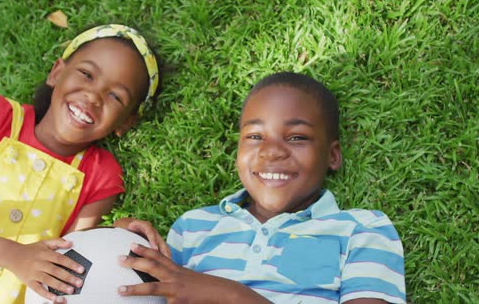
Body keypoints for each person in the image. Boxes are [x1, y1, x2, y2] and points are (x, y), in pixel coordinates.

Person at [0, 24, 166, 304]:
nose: (93, 96)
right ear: (57, 72)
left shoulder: (102, 173)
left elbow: (75, 256)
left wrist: (119, 233)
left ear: (126, 122)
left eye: (115, 96)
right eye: (86, 74)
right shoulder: (1, 119)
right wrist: (14, 255)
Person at [116, 72, 406, 303]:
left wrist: (232, 295)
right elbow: (159, 291)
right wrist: (123, 248)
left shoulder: (361, 230)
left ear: (332, 156)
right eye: (255, 136)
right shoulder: (194, 227)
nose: (271, 151)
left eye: (296, 138)